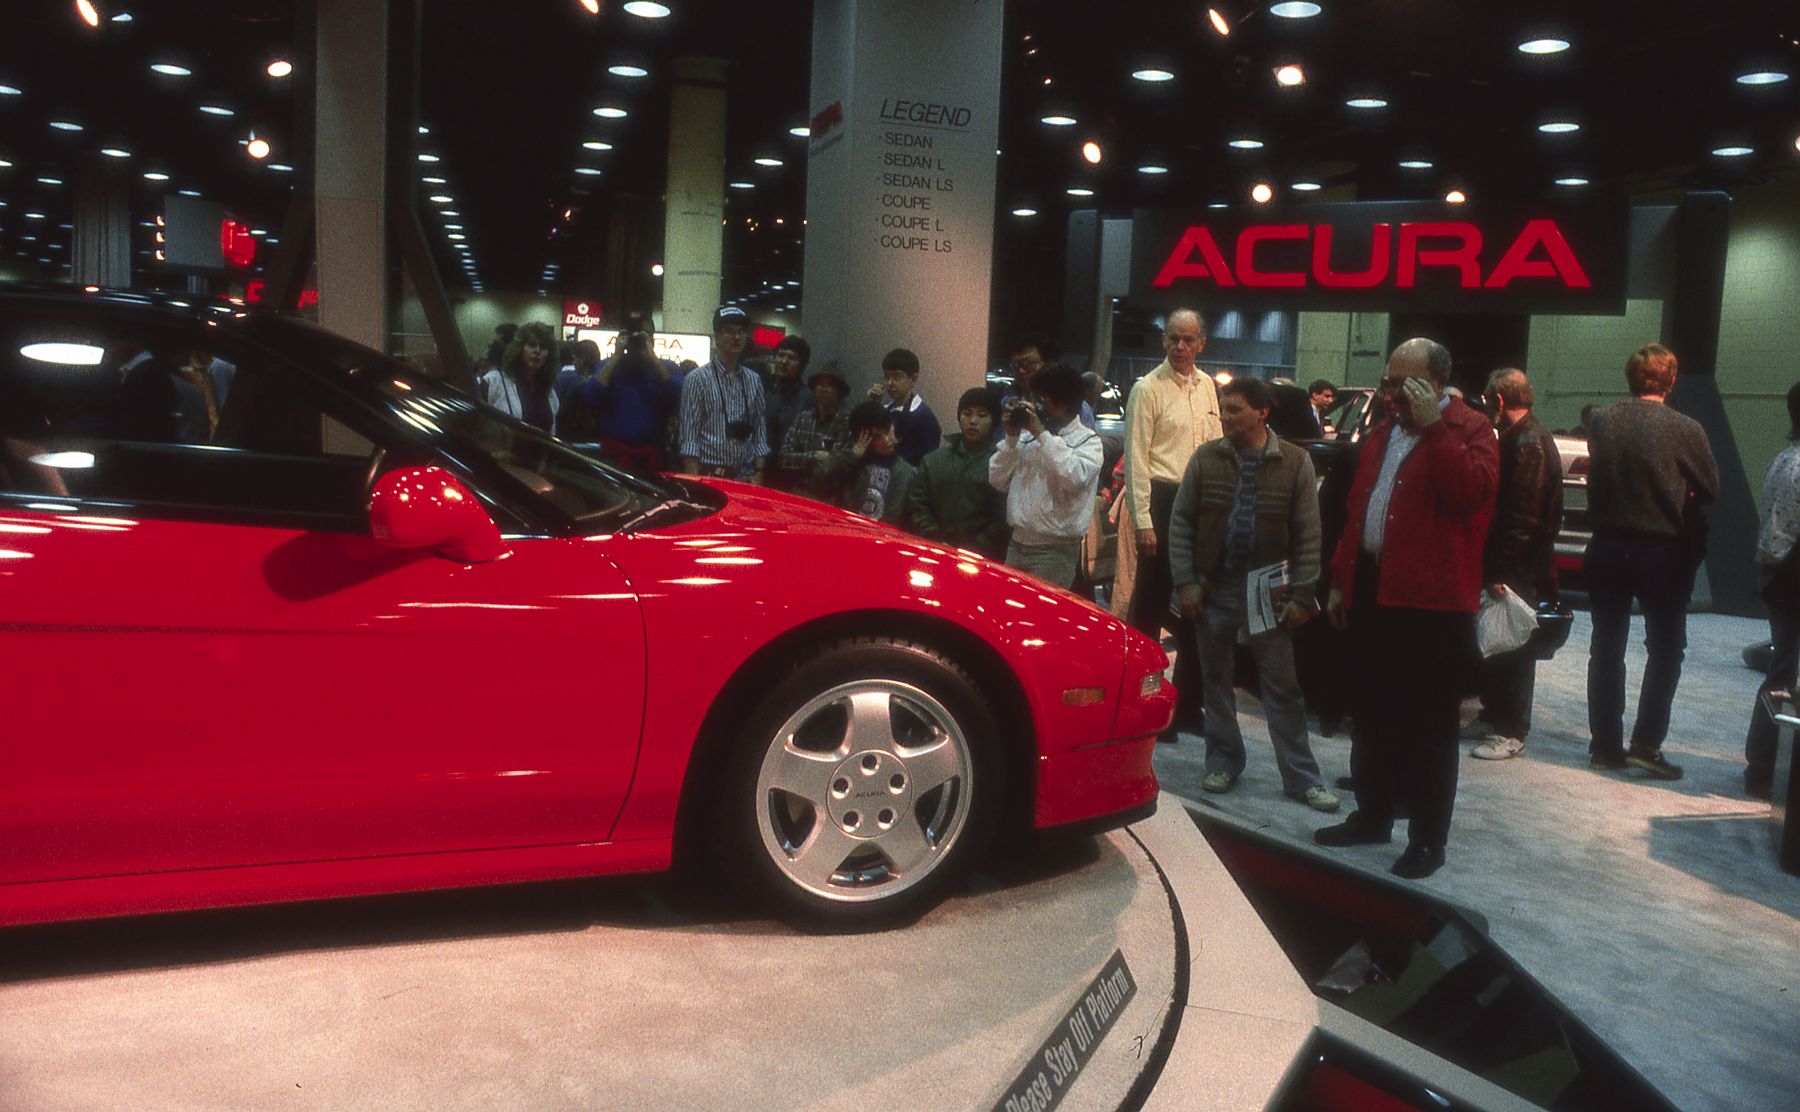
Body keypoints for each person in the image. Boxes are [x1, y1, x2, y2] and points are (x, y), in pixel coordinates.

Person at [1314, 338, 1497, 880]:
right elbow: (1358, 512)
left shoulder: (1471, 430)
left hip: (1432, 603)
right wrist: (1343, 582)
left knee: (1429, 727)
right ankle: (1372, 814)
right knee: (1371, 714)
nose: (1391, 393)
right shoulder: (1383, 432)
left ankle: (1427, 840)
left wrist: (1434, 428)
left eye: (1404, 384)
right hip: (1375, 589)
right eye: (1389, 382)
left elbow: (1469, 494)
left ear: (1438, 383)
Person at [1169, 377, 1338, 813]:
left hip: (1269, 589)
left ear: (1263, 411)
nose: (1225, 417)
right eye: (1222, 409)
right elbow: (1182, 522)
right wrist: (1186, 581)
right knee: (1215, 679)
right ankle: (1223, 758)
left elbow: (1307, 534)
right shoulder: (1206, 459)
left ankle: (1302, 777)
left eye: (1235, 409)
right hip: (1215, 586)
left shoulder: (1295, 462)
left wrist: (1303, 594)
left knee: (1282, 686)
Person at [1585, 343, 1719, 781]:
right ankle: (1645, 744)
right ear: (1671, 380)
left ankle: (1605, 746)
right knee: (1664, 649)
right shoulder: (1687, 428)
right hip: (1661, 551)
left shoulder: (1602, 420)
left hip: (1606, 546)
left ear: (1630, 378)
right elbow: (1711, 488)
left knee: (1606, 648)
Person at [1123, 308, 1222, 742]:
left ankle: (1186, 706)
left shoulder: (1208, 389)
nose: (1181, 348)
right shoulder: (1147, 389)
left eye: (1189, 340)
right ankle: (1142, 702)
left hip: (1203, 500)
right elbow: (1137, 459)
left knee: (1200, 605)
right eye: (1173, 340)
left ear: (1202, 343)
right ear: (1164, 341)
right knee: (1148, 606)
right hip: (1162, 498)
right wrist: (1143, 519)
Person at [1463, 368, 1563, 761]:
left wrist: (1501, 572)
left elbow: (1523, 516)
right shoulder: (1525, 438)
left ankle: (1511, 729)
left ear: (1499, 401)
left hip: (1517, 566)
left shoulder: (1527, 444)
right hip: (1518, 561)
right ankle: (1496, 716)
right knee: (1501, 642)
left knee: (1514, 646)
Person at [989, 362, 1105, 589]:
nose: (1035, 406)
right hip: (1016, 544)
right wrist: (1011, 438)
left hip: (1055, 553)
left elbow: (1073, 478)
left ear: (1062, 404)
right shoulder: (1027, 436)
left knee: (1039, 621)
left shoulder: (1088, 442)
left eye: (1042, 399)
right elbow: (997, 480)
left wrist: (1041, 434)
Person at [1745, 382, 1800, 802]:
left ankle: (1762, 763)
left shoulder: (1784, 458)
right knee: (1784, 673)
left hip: (1777, 574)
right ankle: (1765, 766)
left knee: (1782, 670)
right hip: (1791, 577)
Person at [907, 387, 1008, 559]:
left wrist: (973, 549)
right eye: (967, 414)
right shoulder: (933, 461)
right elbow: (917, 504)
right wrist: (935, 538)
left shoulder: (1002, 464)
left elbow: (1003, 517)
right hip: (934, 551)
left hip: (982, 558)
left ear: (993, 422)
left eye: (982, 415)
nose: (973, 421)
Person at [679, 306, 769, 482]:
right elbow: (690, 438)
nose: (736, 338)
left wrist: (759, 473)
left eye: (741, 332)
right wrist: (695, 482)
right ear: (716, 337)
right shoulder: (697, 379)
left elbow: (759, 430)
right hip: (710, 474)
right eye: (729, 332)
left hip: (746, 476)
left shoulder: (753, 380)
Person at [583, 318, 681, 472]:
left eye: (645, 336)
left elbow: (677, 397)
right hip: (614, 456)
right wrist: (616, 356)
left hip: (652, 456)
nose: (639, 342)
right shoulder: (608, 366)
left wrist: (652, 357)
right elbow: (590, 397)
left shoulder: (668, 368)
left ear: (653, 338)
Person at [819, 400, 915, 525]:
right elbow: (819, 484)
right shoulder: (851, 462)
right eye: (877, 436)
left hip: (884, 538)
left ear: (893, 426)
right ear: (862, 437)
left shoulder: (906, 471)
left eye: (887, 431)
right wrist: (852, 456)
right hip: (849, 531)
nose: (886, 440)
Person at [778, 366, 853, 495]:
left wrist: (801, 459)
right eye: (820, 385)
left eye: (831, 386)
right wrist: (814, 456)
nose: (825, 389)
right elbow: (783, 458)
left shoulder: (847, 422)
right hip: (797, 490)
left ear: (839, 391)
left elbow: (839, 465)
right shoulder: (802, 418)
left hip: (829, 496)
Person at [478, 321, 559, 432]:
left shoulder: (549, 390)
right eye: (532, 345)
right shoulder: (494, 381)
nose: (537, 351)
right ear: (520, 348)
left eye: (543, 347)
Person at [865, 348, 941, 466]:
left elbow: (928, 465)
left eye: (897, 377)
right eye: (887, 376)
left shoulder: (923, 417)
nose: (890, 383)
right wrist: (873, 408)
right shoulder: (885, 410)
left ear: (913, 379)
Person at [1002, 334, 1095, 430]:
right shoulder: (1008, 401)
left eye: (1027, 365)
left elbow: (1081, 442)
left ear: (1049, 364)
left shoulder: (1074, 406)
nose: (1021, 371)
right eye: (1015, 365)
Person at [761, 336, 813, 483]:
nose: (784, 362)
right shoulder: (763, 389)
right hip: (759, 468)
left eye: (791, 358)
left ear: (802, 364)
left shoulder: (808, 397)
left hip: (791, 475)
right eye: (780, 355)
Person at [553, 339, 602, 442]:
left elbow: (562, 417)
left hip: (575, 439)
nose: (573, 363)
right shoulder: (602, 382)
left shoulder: (578, 384)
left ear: (583, 358)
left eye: (575, 358)